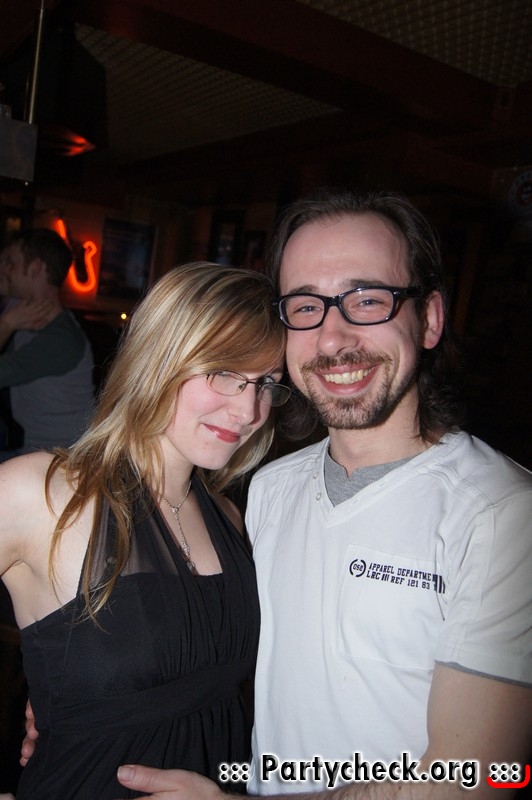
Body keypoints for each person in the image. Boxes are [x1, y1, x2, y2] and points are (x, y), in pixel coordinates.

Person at [112, 188, 532, 800]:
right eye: (306, 307)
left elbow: (485, 778)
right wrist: (84, 691)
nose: (333, 339)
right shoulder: (270, 489)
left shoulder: (502, 514)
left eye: (368, 299)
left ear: (429, 319)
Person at [0, 262, 290, 799]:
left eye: (266, 383)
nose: (249, 409)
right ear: (161, 356)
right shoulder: (37, 493)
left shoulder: (230, 518)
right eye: (224, 371)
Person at [0, 229, 94, 457]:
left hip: (62, 458)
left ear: (35, 269)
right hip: (32, 450)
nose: (4, 269)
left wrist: (7, 324)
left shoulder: (61, 339)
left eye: (11, 263)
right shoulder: (22, 311)